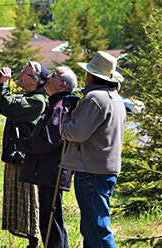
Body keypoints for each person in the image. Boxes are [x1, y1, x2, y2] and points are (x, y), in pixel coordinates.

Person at [60, 51, 126, 248]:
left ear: (91, 76)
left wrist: (66, 121)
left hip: (91, 170)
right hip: (104, 168)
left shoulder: (94, 99)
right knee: (91, 229)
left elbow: (76, 133)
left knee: (96, 230)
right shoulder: (115, 98)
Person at [15, 66, 78, 248]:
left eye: (54, 75)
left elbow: (49, 141)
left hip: (53, 171)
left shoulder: (59, 107)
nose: (48, 77)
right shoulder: (54, 103)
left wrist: (21, 144)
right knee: (51, 219)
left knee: (51, 223)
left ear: (62, 84)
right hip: (47, 171)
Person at [0, 61, 49, 248]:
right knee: (19, 200)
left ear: (36, 81)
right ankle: (31, 239)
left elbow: (9, 106)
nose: (20, 75)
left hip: (28, 159)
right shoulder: (27, 97)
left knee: (30, 201)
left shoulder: (37, 101)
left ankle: (35, 239)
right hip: (17, 156)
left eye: (25, 73)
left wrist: (5, 85)